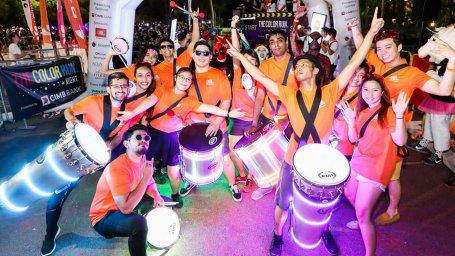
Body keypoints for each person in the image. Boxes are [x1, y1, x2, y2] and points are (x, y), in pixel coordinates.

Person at [227, 7, 384, 256]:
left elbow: (355, 62)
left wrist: (371, 33)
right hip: (294, 154)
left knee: (323, 201)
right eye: (297, 65)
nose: (298, 67)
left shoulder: (331, 90)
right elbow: (259, 76)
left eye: (302, 65)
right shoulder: (289, 93)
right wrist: (241, 57)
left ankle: (323, 230)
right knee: (283, 200)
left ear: (316, 71)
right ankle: (277, 235)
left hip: (321, 154)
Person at [350, 17, 455, 226]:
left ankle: (393, 209)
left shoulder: (412, 73)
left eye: (388, 48)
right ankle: (363, 208)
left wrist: (453, 61)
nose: (382, 52)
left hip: (392, 134)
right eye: (379, 48)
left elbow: (443, 90)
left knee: (392, 176)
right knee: (364, 169)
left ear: (398, 47)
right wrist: (355, 28)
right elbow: (362, 44)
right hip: (370, 129)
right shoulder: (377, 62)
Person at [117, 67, 245, 207]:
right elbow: (150, 101)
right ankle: (139, 197)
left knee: (174, 171)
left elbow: (208, 108)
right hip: (154, 134)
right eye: (182, 77)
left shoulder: (189, 101)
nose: (185, 81)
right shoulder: (163, 89)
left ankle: (175, 195)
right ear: (176, 78)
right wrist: (133, 113)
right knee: (144, 167)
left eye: (188, 79)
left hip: (173, 137)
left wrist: (228, 114)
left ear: (190, 83)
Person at [40, 72, 132, 256]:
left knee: (116, 187)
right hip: (76, 153)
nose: (120, 89)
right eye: (116, 86)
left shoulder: (128, 112)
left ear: (128, 89)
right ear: (108, 88)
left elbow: (120, 137)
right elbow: (69, 111)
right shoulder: (94, 101)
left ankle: (109, 224)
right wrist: (73, 121)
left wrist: (110, 146)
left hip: (99, 157)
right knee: (58, 194)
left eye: (124, 86)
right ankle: (50, 234)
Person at [341, 77, 409, 256]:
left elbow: (400, 140)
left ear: (382, 92)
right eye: (366, 90)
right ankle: (361, 214)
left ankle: (369, 252)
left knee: (363, 215)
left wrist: (400, 115)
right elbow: (354, 139)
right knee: (348, 193)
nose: (370, 94)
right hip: (358, 161)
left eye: (375, 90)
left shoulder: (390, 112)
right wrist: (350, 121)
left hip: (377, 167)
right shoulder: (362, 112)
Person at [180, 41, 242, 201]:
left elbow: (226, 100)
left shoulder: (219, 75)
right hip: (192, 126)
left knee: (225, 156)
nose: (201, 56)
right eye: (198, 53)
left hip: (217, 125)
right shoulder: (187, 76)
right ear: (193, 55)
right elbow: (180, 99)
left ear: (211, 56)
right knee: (191, 155)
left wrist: (216, 121)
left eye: (205, 53)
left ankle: (232, 184)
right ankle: (189, 180)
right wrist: (183, 120)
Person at [90, 124, 164, 256]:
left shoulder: (142, 160)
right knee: (139, 224)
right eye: (138, 137)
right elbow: (125, 208)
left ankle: (142, 233)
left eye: (146, 138)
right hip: (104, 217)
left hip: (125, 200)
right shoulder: (118, 167)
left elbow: (150, 183)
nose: (144, 140)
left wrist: (157, 196)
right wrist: (146, 177)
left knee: (163, 203)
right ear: (126, 144)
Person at [246, 28, 298, 201]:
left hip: (292, 120)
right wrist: (254, 123)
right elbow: (260, 94)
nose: (276, 45)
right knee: (267, 153)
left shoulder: (297, 63)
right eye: (272, 42)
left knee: (289, 155)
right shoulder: (265, 65)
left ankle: (289, 188)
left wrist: (289, 120)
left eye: (279, 40)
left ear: (286, 43)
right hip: (268, 118)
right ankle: (267, 185)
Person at [229, 16, 262, 193]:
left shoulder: (261, 80)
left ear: (257, 64)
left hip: (254, 121)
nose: (249, 62)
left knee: (253, 154)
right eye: (246, 59)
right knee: (233, 151)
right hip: (239, 121)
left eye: (253, 61)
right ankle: (242, 173)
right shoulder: (237, 73)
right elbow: (235, 50)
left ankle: (252, 176)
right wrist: (233, 27)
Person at [153, 9, 200, 89]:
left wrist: (195, 20)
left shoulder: (182, 59)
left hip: (183, 98)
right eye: (163, 47)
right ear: (160, 51)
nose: (167, 48)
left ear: (174, 49)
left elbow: (194, 41)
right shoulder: (156, 68)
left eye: (169, 46)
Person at [332, 62, 369, 160]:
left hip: (345, 144)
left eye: (361, 75)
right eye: (354, 74)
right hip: (329, 139)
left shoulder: (364, 98)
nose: (356, 78)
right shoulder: (337, 89)